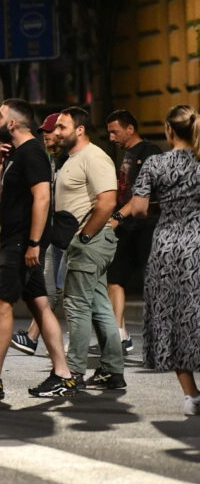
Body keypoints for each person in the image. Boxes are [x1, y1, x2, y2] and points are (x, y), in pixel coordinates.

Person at [0, 99, 76, 401]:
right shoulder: (17, 155)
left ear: (13, 123)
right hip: (15, 240)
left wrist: (33, 243)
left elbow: (42, 198)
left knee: (1, 304)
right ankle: (63, 375)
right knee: (40, 306)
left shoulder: (32, 154)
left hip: (20, 243)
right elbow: (4, 196)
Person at [114, 105, 200, 415]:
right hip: (197, 243)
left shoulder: (155, 164)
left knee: (172, 318)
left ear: (168, 131)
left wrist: (160, 207)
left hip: (167, 246)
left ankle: (192, 395)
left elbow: (137, 209)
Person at [52, 107, 124, 390]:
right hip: (83, 242)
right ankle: (112, 371)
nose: (57, 132)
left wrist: (85, 236)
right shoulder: (72, 158)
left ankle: (73, 372)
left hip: (89, 241)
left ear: (79, 130)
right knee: (98, 305)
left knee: (77, 306)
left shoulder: (94, 157)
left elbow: (108, 201)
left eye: (62, 127)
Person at [105, 109, 162, 354]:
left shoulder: (150, 152)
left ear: (130, 129)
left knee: (153, 282)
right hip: (128, 229)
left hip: (147, 227)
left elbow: (142, 193)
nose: (111, 137)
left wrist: (116, 218)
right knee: (114, 278)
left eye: (114, 131)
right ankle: (119, 334)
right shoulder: (126, 155)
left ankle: (161, 339)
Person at [10, 112, 65, 355]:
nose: (46, 136)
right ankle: (33, 338)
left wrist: (33, 242)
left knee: (72, 294)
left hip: (70, 233)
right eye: (43, 132)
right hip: (54, 234)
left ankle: (114, 340)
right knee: (48, 291)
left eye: (51, 131)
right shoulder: (50, 159)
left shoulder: (69, 159)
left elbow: (44, 198)